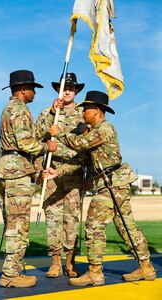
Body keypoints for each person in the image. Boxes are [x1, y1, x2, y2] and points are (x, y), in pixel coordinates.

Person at [44, 90, 156, 286]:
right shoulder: (94, 132)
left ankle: (95, 272)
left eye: (85, 110)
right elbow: (80, 161)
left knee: (94, 226)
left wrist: (58, 133)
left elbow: (79, 144)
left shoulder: (105, 129)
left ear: (96, 111)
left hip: (111, 185)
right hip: (114, 184)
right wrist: (58, 172)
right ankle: (146, 267)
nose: (82, 113)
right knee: (126, 226)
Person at [0, 70, 57, 288]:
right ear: (23, 89)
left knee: (13, 222)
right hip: (17, 172)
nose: (34, 93)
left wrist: (51, 113)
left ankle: (12, 270)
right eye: (32, 88)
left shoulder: (9, 109)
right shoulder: (20, 110)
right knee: (18, 225)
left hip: (9, 168)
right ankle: (11, 275)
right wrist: (46, 147)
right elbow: (25, 143)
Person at [35, 73, 88, 278]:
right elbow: (35, 137)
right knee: (53, 219)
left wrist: (89, 175)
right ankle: (55, 262)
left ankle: (70, 261)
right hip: (51, 173)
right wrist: (50, 114)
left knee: (72, 219)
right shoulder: (47, 113)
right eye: (63, 87)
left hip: (73, 173)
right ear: (58, 90)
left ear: (76, 91)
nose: (67, 91)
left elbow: (88, 147)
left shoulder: (83, 114)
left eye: (71, 88)